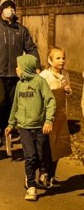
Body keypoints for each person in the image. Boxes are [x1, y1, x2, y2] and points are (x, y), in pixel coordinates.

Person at [0, 0, 39, 148]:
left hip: (15, 74)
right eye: (6, 7)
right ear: (1, 10)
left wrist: (34, 65)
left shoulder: (21, 30)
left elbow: (31, 48)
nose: (10, 10)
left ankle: (6, 129)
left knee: (12, 103)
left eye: (12, 8)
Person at [5, 55, 55, 201]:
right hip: (24, 127)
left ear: (26, 67)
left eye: (18, 66)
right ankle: (31, 187)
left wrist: (48, 121)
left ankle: (31, 173)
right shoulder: (19, 84)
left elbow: (50, 100)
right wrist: (11, 124)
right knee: (30, 156)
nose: (16, 69)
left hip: (40, 127)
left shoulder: (40, 82)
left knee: (39, 156)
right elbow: (15, 106)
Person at [39, 46, 72, 187]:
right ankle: (43, 172)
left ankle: (52, 175)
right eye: (58, 58)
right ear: (50, 60)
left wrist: (67, 90)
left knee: (58, 144)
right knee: (47, 145)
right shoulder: (44, 76)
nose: (62, 61)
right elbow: (39, 94)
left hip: (60, 114)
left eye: (63, 58)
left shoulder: (65, 75)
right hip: (47, 116)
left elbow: (68, 92)